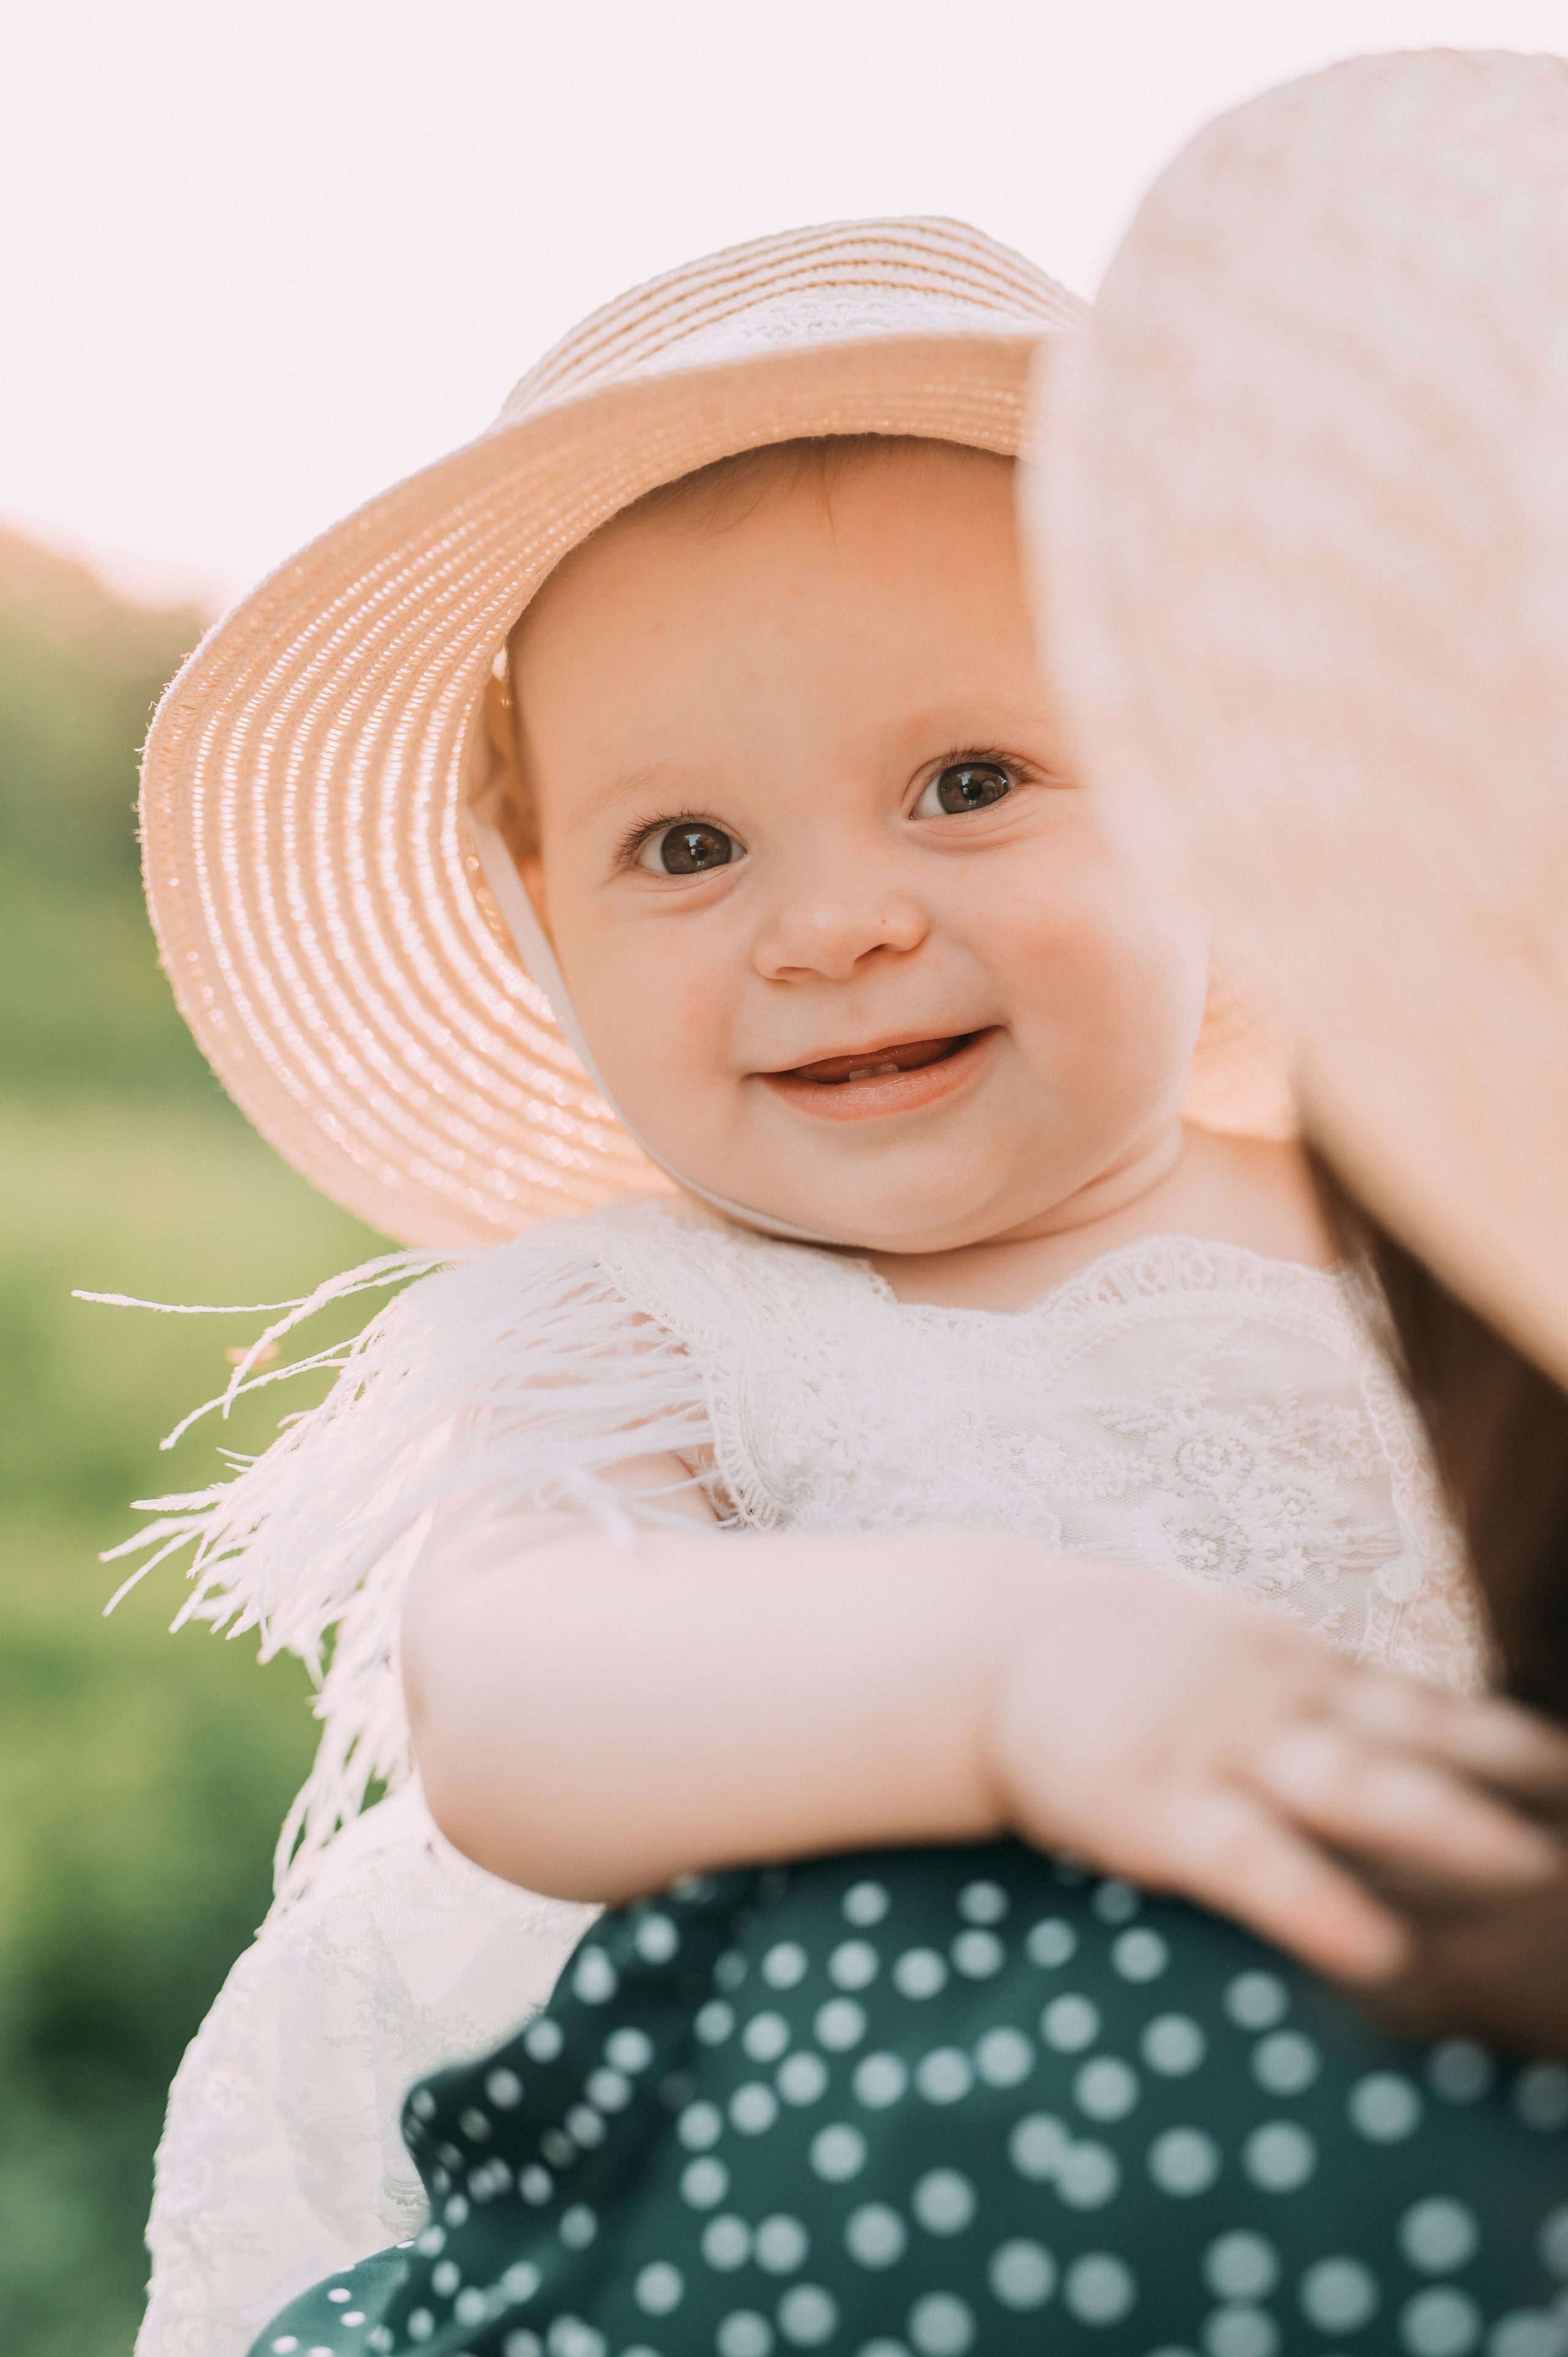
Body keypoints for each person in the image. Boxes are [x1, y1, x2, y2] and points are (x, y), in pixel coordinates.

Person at [125, 215, 1559, 2357]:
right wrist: (1005, 1675)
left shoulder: (1431, 1228)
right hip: (804, 2241)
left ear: (1197, 788)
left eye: (966, 786)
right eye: (686, 848)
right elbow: (513, 1695)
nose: (833, 926)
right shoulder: (661, 1326)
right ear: (539, 914)